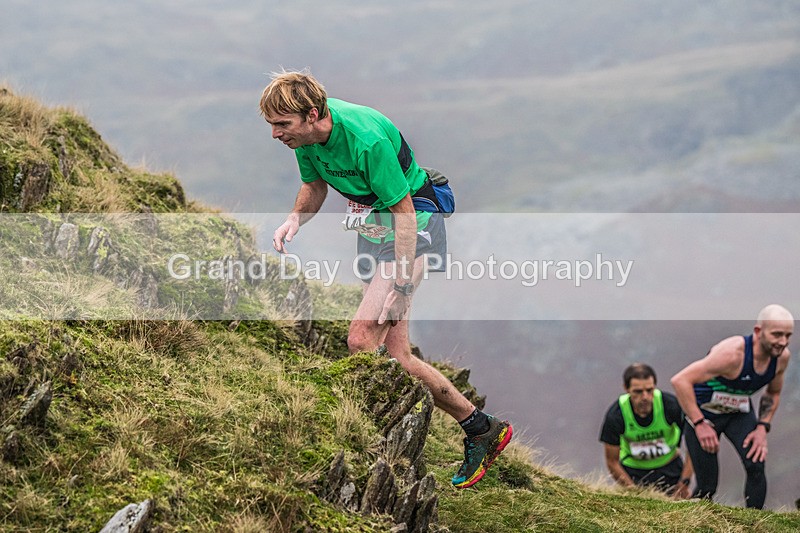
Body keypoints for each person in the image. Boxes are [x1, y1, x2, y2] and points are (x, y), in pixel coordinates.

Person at [260, 69, 512, 488]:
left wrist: (401, 287)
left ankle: (361, 435)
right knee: (398, 356)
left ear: (313, 113)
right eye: (271, 124)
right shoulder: (305, 138)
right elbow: (314, 185)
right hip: (375, 225)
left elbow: (405, 215)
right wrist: (294, 219)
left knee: (361, 338)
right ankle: (481, 428)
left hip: (413, 222)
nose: (274, 134)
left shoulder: (366, 140)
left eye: (282, 125)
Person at [670, 304, 794, 509]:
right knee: (708, 485)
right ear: (758, 331)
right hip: (704, 413)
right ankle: (692, 523)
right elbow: (680, 381)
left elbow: (772, 393)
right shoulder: (731, 354)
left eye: (788, 335)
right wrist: (699, 423)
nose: (782, 342)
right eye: (777, 335)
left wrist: (763, 428)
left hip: (738, 413)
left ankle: (754, 524)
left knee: (756, 465)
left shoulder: (781, 357)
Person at [599, 363, 694, 497]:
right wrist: (632, 491)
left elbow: (695, 442)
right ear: (626, 389)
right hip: (634, 473)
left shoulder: (670, 405)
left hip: (671, 470)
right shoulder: (616, 415)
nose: (645, 397)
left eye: (649, 390)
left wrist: (684, 482)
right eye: (638, 392)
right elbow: (612, 461)